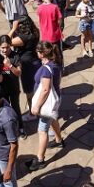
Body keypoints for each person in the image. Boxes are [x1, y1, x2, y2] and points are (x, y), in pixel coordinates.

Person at [28, 41, 64, 171]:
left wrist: (36, 106)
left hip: (46, 103)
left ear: (42, 54)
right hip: (56, 99)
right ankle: (59, 141)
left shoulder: (45, 70)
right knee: (53, 119)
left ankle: (40, 159)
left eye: (37, 51)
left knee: (42, 131)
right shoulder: (55, 65)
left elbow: (45, 89)